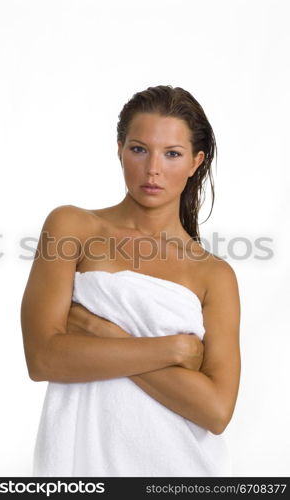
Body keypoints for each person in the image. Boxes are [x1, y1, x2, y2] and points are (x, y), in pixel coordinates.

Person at [20, 84, 241, 477]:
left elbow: (216, 412)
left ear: (195, 161)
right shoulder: (72, 227)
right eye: (139, 149)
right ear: (119, 148)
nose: (153, 169)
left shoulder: (214, 275)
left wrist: (98, 333)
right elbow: (43, 358)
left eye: (172, 154)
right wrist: (174, 350)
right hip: (79, 468)